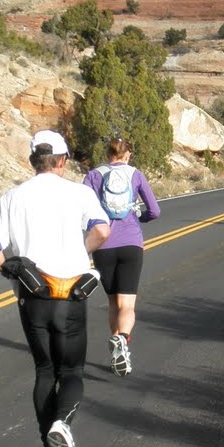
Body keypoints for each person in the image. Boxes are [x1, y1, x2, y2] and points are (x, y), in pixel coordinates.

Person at [0, 130, 110, 447]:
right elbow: (102, 231)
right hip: (71, 293)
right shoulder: (80, 193)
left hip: (32, 296)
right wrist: (80, 253)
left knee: (44, 373)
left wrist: (12, 273)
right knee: (71, 372)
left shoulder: (12, 197)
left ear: (31, 161)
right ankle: (63, 425)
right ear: (64, 160)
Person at [81, 137, 161, 376]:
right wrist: (138, 219)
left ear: (107, 154)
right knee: (127, 303)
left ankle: (116, 340)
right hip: (131, 245)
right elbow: (155, 211)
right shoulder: (135, 174)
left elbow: (83, 211)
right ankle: (123, 340)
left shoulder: (94, 175)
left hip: (103, 245)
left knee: (113, 302)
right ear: (128, 155)